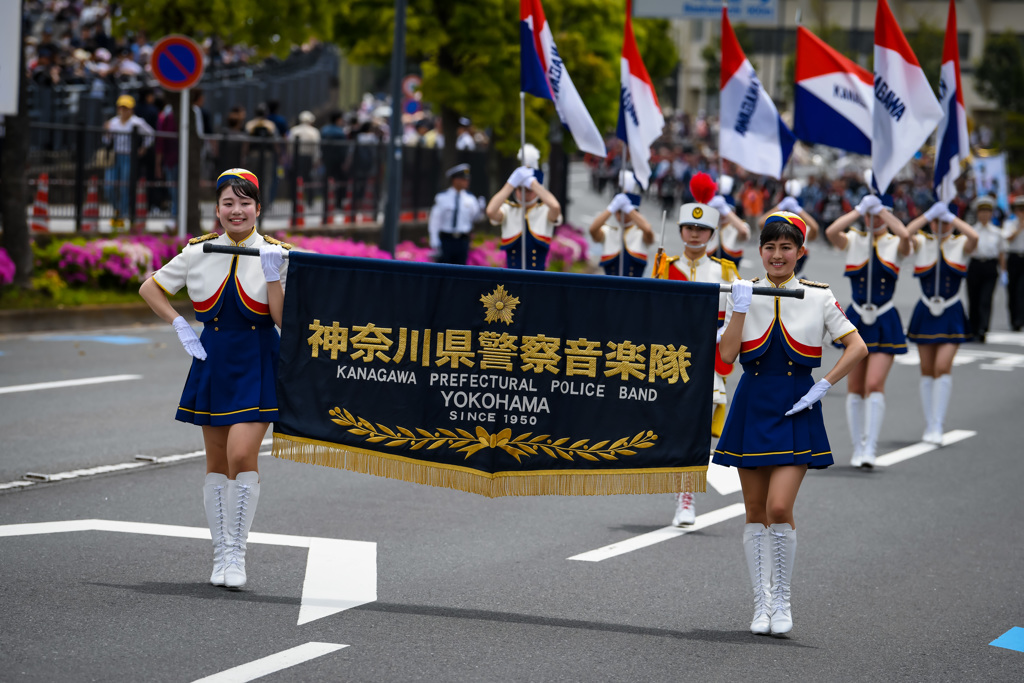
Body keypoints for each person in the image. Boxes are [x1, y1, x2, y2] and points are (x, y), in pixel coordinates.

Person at [714, 211, 867, 636]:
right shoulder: (742, 290)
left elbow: (857, 346)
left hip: (798, 404)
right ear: (759, 251)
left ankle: (782, 600)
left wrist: (823, 387)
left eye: (786, 247)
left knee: (780, 508)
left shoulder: (818, 295)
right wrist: (740, 308)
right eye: (769, 247)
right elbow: (726, 357)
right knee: (754, 511)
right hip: (752, 402)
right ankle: (760, 604)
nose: (777, 255)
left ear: (800, 252)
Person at [138, 168, 290, 590]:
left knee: (243, 455)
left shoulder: (278, 253)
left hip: (259, 357)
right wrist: (179, 323)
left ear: (258, 208)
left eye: (245, 203)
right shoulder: (198, 251)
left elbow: (281, 320)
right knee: (217, 462)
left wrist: (275, 276)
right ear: (217, 209)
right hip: (213, 357)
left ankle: (237, 553)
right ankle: (220, 553)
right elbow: (150, 288)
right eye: (228, 203)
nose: (236, 210)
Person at [657, 172, 739, 526]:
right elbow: (652, 314)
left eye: (702, 230)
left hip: (708, 359)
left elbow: (738, 312)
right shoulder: (667, 267)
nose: (694, 235)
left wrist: (720, 335)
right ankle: (680, 492)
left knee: (702, 431)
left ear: (711, 234)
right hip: (673, 359)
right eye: (689, 230)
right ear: (680, 232)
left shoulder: (724, 270)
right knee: (676, 428)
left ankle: (686, 498)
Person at [824, 194, 913, 467]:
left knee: (874, 385)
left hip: (885, 318)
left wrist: (883, 212)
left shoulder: (894, 242)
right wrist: (859, 210)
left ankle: (871, 447)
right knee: (855, 386)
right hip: (857, 318)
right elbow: (831, 232)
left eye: (878, 212)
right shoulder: (854, 239)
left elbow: (906, 237)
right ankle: (858, 446)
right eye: (869, 213)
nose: (872, 217)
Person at [905, 201, 979, 444]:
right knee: (926, 370)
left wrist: (952, 218)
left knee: (942, 367)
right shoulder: (924, 242)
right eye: (937, 221)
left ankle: (938, 424)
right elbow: (906, 234)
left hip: (951, 310)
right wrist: (927, 215)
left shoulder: (959, 243)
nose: (940, 224)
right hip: (926, 308)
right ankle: (929, 423)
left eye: (944, 220)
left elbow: (974, 236)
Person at [486, 144, 562, 270]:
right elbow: (490, 211)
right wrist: (510, 183)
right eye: (520, 189)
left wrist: (534, 184)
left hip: (537, 279)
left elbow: (555, 207)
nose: (523, 194)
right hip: (512, 277)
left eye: (528, 190)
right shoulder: (509, 210)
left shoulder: (544, 210)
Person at [588, 171, 655, 277]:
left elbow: (647, 230)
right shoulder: (609, 231)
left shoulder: (640, 232)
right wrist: (611, 208)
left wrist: (629, 209)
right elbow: (592, 229)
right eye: (619, 211)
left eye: (626, 212)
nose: (622, 215)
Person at [103, 94, 155, 227]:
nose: (123, 110)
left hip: (128, 156)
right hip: (115, 156)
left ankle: (122, 213)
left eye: (126, 108)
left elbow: (151, 134)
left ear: (131, 109)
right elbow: (106, 140)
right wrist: (107, 131)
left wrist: (143, 148)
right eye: (121, 107)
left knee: (125, 186)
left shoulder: (137, 122)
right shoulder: (113, 122)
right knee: (109, 186)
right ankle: (117, 209)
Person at [966, 196, 1006, 343]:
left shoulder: (997, 232)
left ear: (991, 214)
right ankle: (973, 328)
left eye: (987, 212)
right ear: (977, 213)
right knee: (974, 298)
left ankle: (983, 329)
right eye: (981, 212)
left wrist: (1003, 272)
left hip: (990, 266)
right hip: (975, 265)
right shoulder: (971, 230)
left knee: (985, 299)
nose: (984, 215)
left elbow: (1001, 253)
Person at [760, 182, 819, 276]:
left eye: (786, 247)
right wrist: (781, 206)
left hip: (797, 278)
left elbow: (815, 228)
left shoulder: (802, 230)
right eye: (771, 247)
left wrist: (797, 209)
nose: (777, 255)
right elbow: (761, 222)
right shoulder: (774, 229)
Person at [429, 164, 483, 265]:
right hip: (447, 240)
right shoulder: (442, 197)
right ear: (455, 180)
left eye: (467, 179)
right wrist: (434, 240)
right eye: (463, 179)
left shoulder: (470, 199)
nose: (467, 182)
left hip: (463, 240)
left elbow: (476, 218)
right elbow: (435, 221)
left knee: (461, 271)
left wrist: (481, 209)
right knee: (445, 271)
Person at [705, 174, 750, 268]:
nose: (722, 214)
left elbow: (743, 231)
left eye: (728, 210)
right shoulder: (709, 226)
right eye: (718, 210)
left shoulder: (737, 227)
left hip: (729, 280)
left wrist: (726, 210)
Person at [1003, 196, 1024, 331]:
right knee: (1013, 290)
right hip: (1014, 258)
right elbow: (1007, 239)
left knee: (1022, 290)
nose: (1022, 212)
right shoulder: (1010, 224)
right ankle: (1013, 319)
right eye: (1020, 209)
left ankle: (1020, 319)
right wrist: (1019, 227)